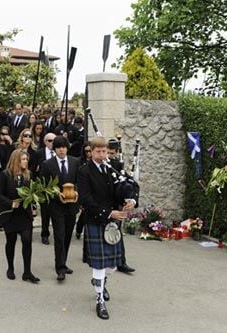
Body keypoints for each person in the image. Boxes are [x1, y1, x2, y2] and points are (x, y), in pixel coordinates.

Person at [78, 136, 135, 320]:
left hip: (113, 221)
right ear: (91, 152)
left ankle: (100, 281)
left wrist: (129, 201)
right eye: (98, 151)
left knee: (111, 265)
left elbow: (124, 188)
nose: (102, 155)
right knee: (99, 264)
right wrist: (109, 213)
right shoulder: (84, 171)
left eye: (104, 151)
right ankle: (99, 298)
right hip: (97, 219)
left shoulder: (113, 167)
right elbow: (85, 200)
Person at [0, 149, 40, 283]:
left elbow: (32, 193)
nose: (26, 162)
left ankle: (27, 272)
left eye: (26, 159)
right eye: (23, 159)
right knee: (11, 241)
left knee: (27, 240)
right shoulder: (5, 175)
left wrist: (33, 207)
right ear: (16, 160)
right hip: (10, 215)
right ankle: (10, 268)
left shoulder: (29, 175)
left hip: (24, 214)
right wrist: (10, 203)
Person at [40, 136, 81, 281]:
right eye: (58, 147)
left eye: (64, 147)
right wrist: (57, 195)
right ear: (54, 149)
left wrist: (76, 192)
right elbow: (44, 186)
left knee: (68, 234)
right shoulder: (47, 164)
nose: (61, 150)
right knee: (59, 235)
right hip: (56, 206)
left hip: (72, 205)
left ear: (67, 148)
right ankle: (60, 268)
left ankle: (63, 261)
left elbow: (79, 181)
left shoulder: (75, 162)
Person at [107, 138, 136, 274]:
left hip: (115, 205)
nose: (108, 156)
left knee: (116, 232)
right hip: (99, 207)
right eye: (106, 152)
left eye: (111, 153)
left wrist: (131, 200)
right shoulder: (93, 166)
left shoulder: (117, 165)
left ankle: (121, 262)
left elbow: (130, 183)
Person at [34, 132, 56, 244]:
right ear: (45, 142)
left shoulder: (59, 153)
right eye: (50, 141)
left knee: (56, 211)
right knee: (45, 212)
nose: (52, 143)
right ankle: (45, 233)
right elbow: (34, 170)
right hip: (43, 187)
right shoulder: (39, 153)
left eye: (54, 141)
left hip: (56, 187)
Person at [75, 142, 92, 240]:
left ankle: (86, 231)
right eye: (86, 151)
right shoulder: (79, 162)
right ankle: (79, 229)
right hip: (83, 189)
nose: (88, 153)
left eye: (90, 151)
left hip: (92, 189)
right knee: (84, 211)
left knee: (88, 212)